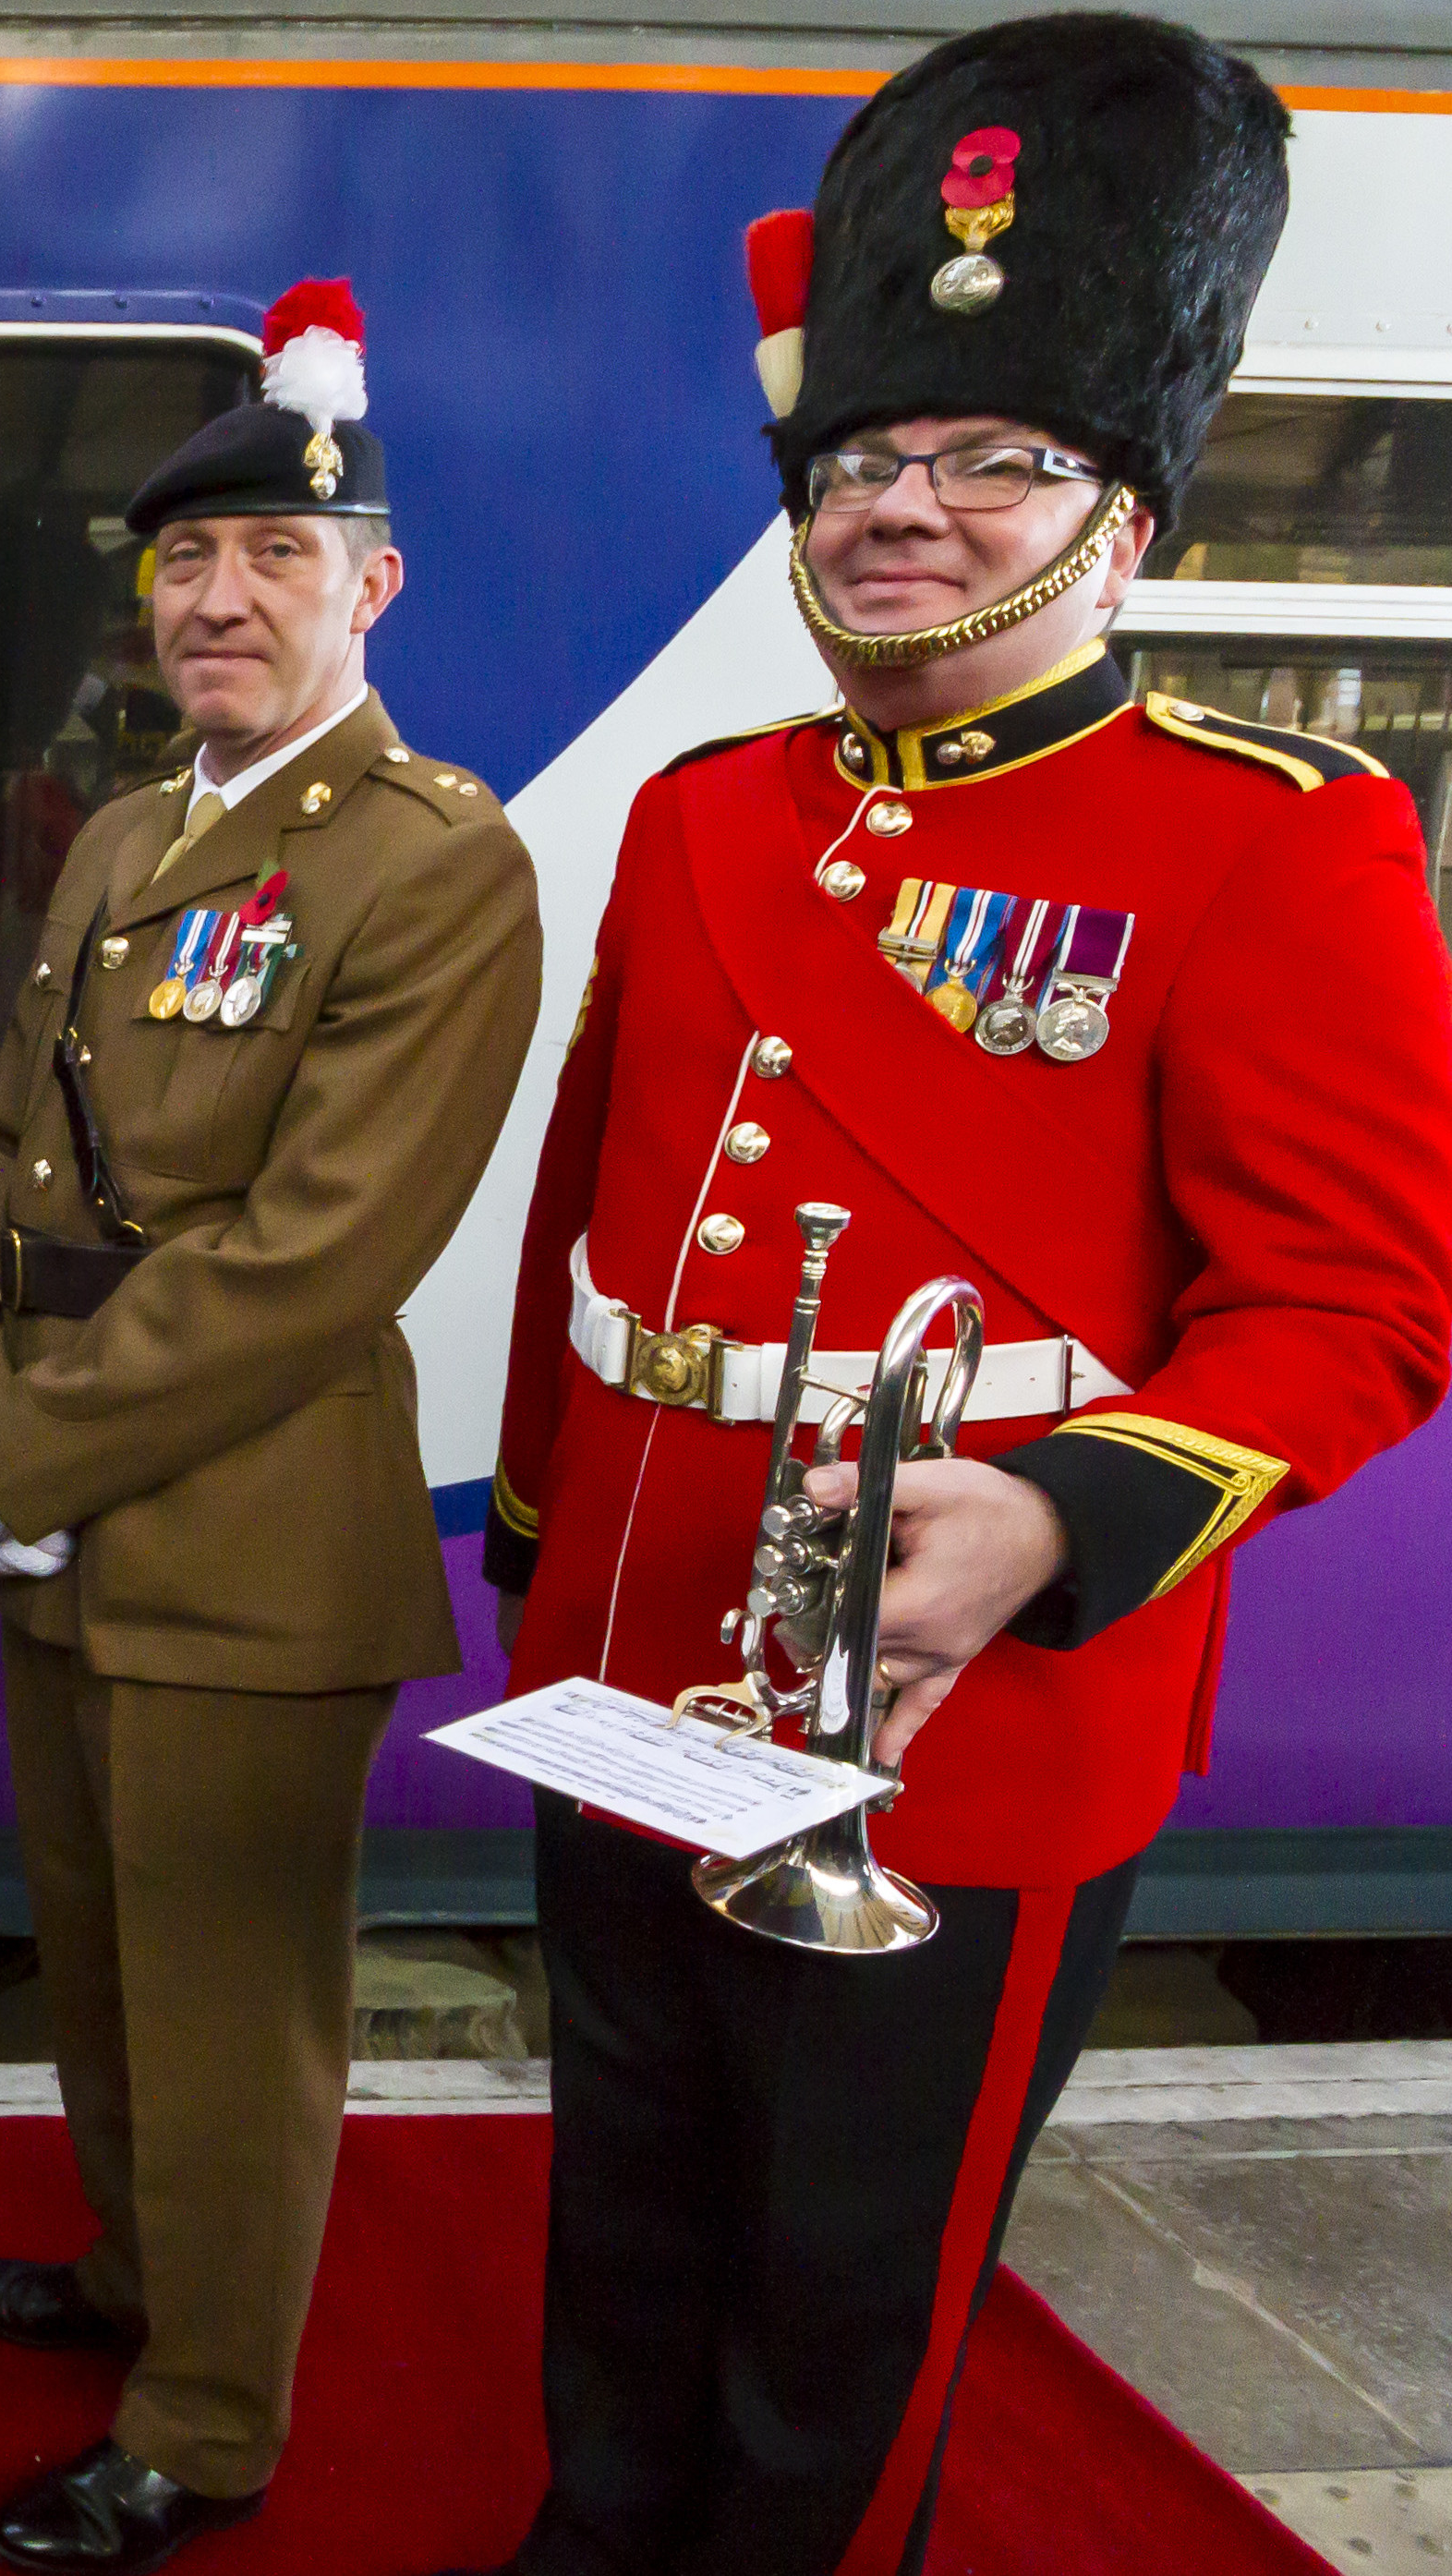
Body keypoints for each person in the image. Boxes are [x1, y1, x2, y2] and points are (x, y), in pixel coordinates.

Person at [455, 21, 1452, 2571]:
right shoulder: (705, 811)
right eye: (866, 459)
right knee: (632, 2223)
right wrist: (547, 1545)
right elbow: (607, 1218)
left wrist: (1051, 1522)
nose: (905, 505)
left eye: (991, 458)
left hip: (970, 1703)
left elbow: (1357, 1308)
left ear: (1118, 518)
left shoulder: (1274, 839)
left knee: (843, 2308)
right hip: (642, 1650)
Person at [0, 283, 544, 2572]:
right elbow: (3, 1142)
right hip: (60, 1503)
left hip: (243, 1528)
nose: (218, 599)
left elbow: (315, 1254)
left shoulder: (429, 855)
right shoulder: (115, 834)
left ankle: (205, 2423)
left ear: (366, 586)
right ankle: (128, 2276)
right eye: (183, 565)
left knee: (226, 1998)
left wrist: (14, 1458)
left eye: (274, 558)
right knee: (91, 1950)